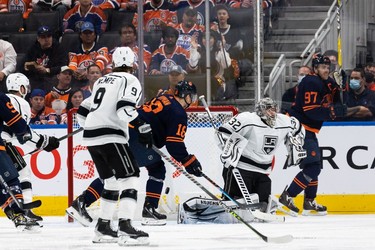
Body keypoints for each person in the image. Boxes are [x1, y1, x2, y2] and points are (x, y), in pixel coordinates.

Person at [67, 80, 203, 228]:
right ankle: (83, 202)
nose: (192, 101)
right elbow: (174, 144)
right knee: (120, 174)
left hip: (126, 130)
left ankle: (84, 202)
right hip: (138, 138)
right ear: (185, 95)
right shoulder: (178, 113)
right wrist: (189, 161)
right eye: (191, 97)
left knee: (150, 168)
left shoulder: (164, 98)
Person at [75, 47, 150, 245]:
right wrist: (142, 126)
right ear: (133, 64)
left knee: (111, 182)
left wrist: (95, 124)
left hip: (91, 136)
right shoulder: (130, 80)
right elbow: (124, 108)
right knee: (131, 177)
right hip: (111, 134)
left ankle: (103, 228)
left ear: (113, 64)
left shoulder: (101, 80)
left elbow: (82, 113)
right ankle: (125, 227)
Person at [278, 54, 358, 216]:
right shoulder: (311, 82)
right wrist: (332, 112)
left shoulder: (327, 81)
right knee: (314, 167)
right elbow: (311, 111)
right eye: (322, 67)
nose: (326, 70)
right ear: (315, 69)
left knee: (313, 165)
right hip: (299, 128)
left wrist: (342, 88)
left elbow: (341, 104)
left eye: (328, 68)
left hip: (308, 128)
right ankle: (289, 196)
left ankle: (309, 202)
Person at [217, 97, 306, 213]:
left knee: (264, 204)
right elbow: (223, 132)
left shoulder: (284, 121)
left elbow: (299, 129)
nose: (272, 113)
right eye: (268, 110)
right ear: (260, 111)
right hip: (240, 169)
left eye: (274, 109)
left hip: (263, 172)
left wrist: (296, 143)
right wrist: (228, 148)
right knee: (235, 202)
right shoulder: (247, 119)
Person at [2, 73, 60, 221]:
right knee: (22, 172)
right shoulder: (21, 102)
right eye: (25, 87)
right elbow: (23, 134)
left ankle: (17, 206)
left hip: (4, 141)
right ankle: (23, 207)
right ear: (21, 87)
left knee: (21, 171)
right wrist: (45, 142)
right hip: (3, 143)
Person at [0, 91, 40, 230]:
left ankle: (12, 210)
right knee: (12, 178)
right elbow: (17, 122)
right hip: (3, 144)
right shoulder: (4, 98)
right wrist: (38, 140)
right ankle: (19, 213)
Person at [22, 26, 67, 92]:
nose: (46, 39)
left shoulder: (58, 48)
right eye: (43, 37)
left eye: (49, 36)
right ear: (38, 38)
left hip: (52, 78)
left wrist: (47, 70)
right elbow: (23, 65)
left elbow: (63, 66)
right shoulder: (33, 48)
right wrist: (32, 66)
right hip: (35, 78)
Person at [68, 21, 110, 88]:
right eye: (85, 33)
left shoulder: (102, 48)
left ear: (95, 35)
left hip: (97, 81)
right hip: (79, 81)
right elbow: (72, 64)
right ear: (81, 35)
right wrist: (74, 72)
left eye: (90, 33)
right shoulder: (74, 50)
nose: (88, 35)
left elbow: (100, 63)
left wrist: (88, 73)